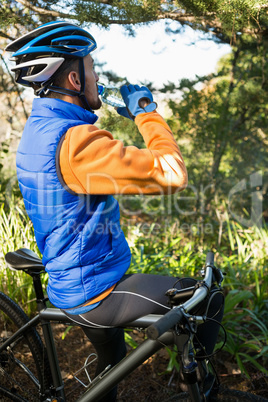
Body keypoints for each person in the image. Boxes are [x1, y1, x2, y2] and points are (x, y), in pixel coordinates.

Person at [5, 21, 224, 401]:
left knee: (113, 362)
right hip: (95, 290)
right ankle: (204, 386)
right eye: (92, 68)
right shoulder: (77, 142)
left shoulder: (41, 128)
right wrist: (146, 114)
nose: (97, 77)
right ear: (75, 79)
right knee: (205, 295)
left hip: (72, 275)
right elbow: (172, 173)